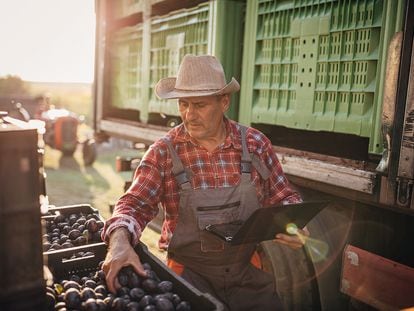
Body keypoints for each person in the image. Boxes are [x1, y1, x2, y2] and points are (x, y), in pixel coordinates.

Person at [101, 54, 309, 310]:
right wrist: (120, 242)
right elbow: (134, 204)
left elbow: (282, 196)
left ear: (224, 102)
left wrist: (293, 223)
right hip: (188, 276)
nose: (189, 115)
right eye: (183, 104)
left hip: (247, 273)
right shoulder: (164, 152)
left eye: (199, 105)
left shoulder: (255, 145)